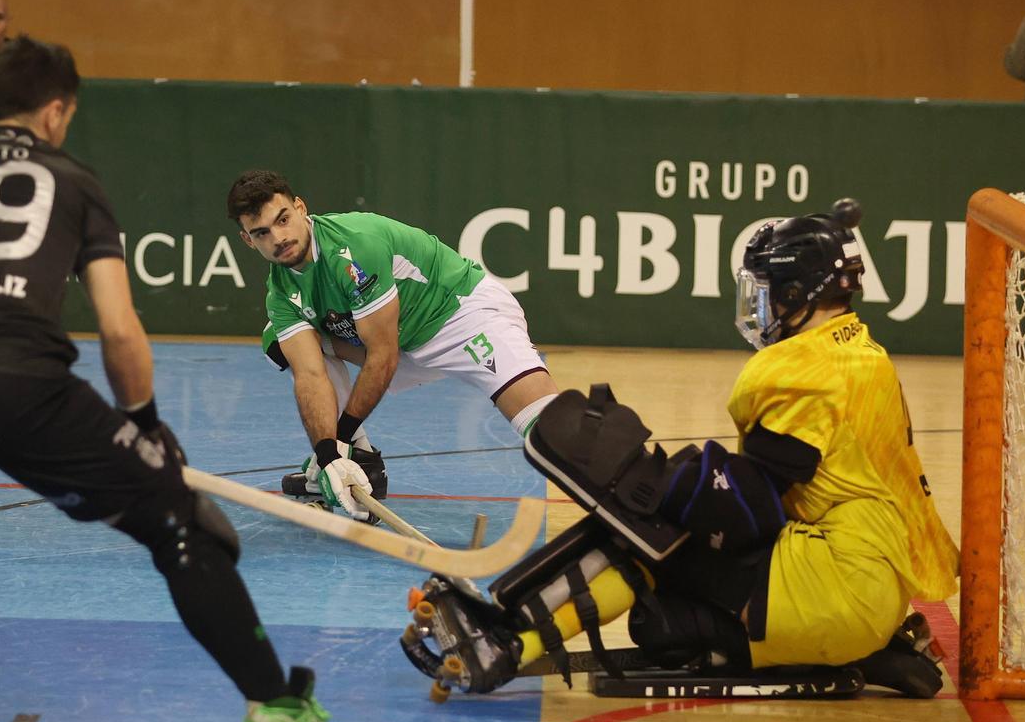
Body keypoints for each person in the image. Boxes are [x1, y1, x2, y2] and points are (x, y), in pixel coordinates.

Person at [0, 36, 361, 722]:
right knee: (188, 527)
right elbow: (116, 328)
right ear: (53, 111)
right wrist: (142, 422)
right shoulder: (69, 179)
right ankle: (275, 711)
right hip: (26, 392)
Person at [402, 199, 960, 696]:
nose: (756, 306)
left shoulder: (806, 369)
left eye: (764, 291)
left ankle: (506, 642)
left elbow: (752, 511)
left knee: (645, 524)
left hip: (835, 584)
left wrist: (659, 480)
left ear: (795, 294)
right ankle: (869, 649)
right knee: (662, 622)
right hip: (866, 585)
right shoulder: (860, 352)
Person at [227, 170, 559, 521]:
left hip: (459, 317)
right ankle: (362, 461)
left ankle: (616, 504)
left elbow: (382, 356)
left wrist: (338, 438)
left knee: (551, 432)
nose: (278, 237)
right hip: (398, 343)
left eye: (283, 220)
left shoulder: (355, 246)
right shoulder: (281, 293)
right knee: (279, 340)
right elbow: (310, 374)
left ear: (300, 208)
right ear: (248, 240)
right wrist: (329, 455)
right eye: (262, 232)